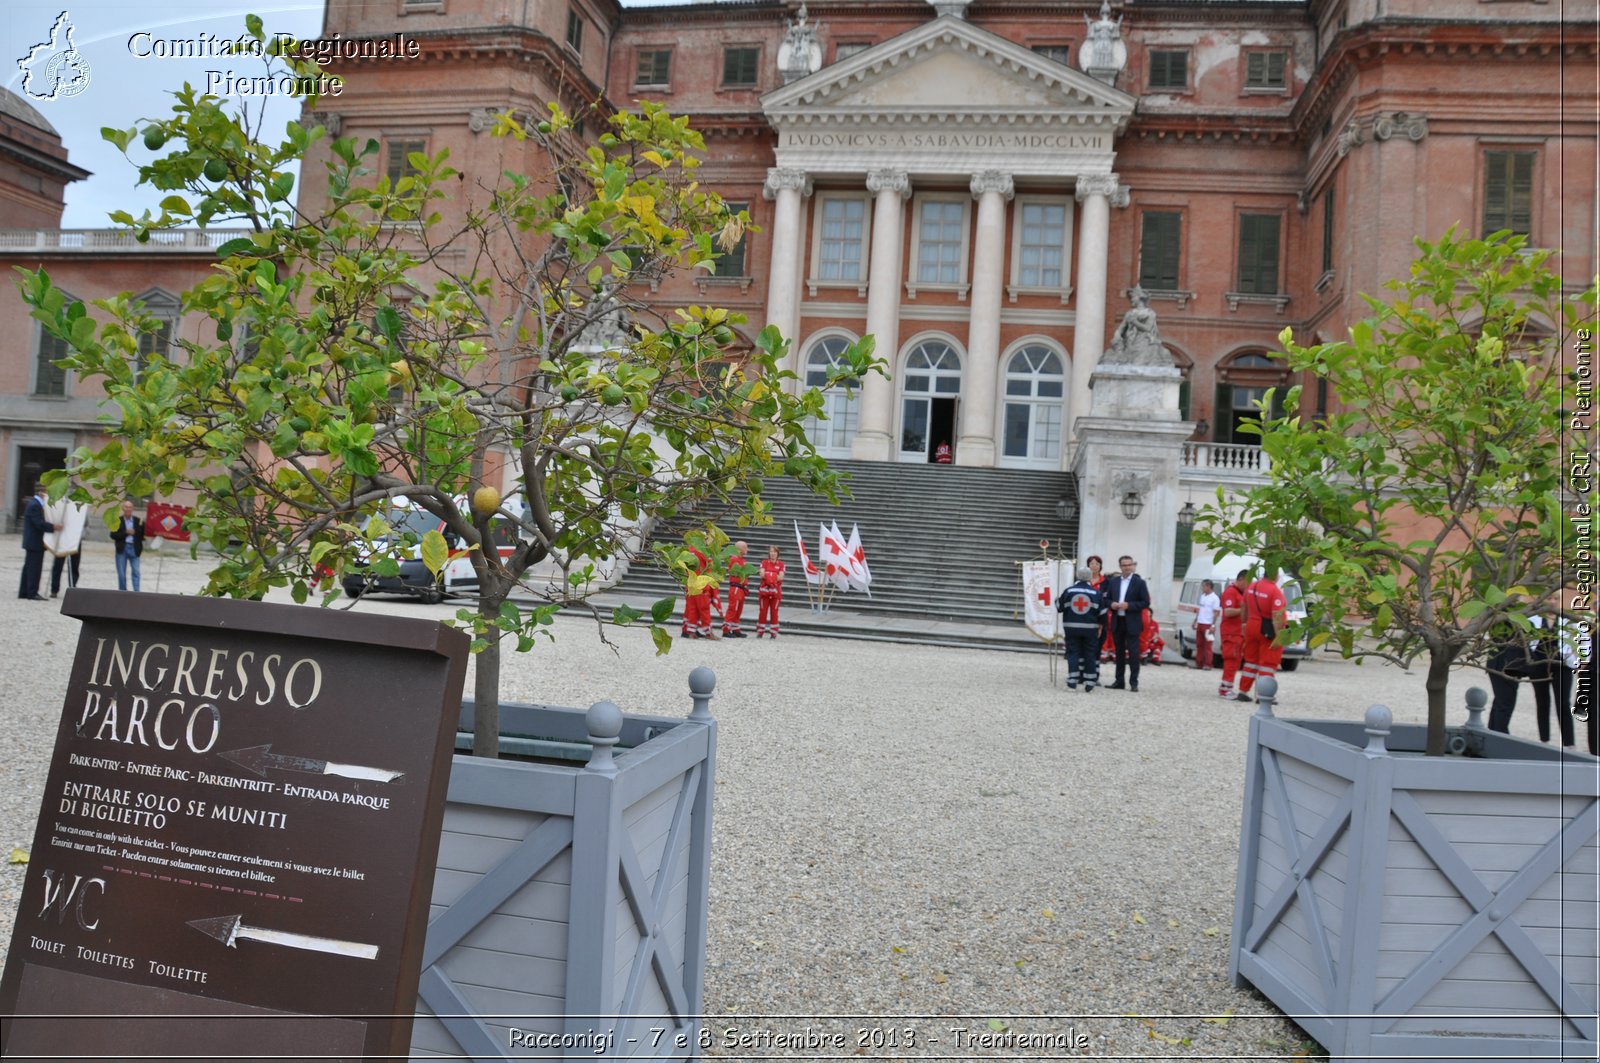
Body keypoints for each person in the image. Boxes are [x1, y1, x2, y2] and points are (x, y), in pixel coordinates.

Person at [1237, 569, 1288, 702]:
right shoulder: (1275, 591)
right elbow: (1277, 615)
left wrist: (1243, 623)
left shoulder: (1252, 586)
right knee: (1268, 663)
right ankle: (1263, 695)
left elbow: (1243, 605)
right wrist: (1279, 636)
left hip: (1251, 625)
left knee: (1250, 661)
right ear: (1275, 575)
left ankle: (1243, 691)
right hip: (1267, 629)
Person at [1529, 614, 1579, 748]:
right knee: (1542, 701)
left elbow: (1582, 636)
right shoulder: (1533, 619)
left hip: (1562, 665)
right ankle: (1544, 740)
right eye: (1549, 598)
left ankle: (1569, 743)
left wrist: (1581, 659)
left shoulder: (1567, 619)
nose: (1552, 601)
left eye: (1555, 598)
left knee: (1563, 703)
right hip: (1539, 664)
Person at [1057, 565, 1108, 691]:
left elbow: (1059, 607)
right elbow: (1102, 613)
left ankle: (1072, 682)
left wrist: (1056, 600)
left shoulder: (1069, 591)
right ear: (1090, 577)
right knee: (1090, 654)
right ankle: (1090, 682)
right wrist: (1101, 627)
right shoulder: (1097, 593)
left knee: (1073, 653)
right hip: (1091, 629)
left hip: (1071, 628)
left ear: (1077, 576)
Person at [1104, 555, 1150, 691]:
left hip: (1132, 622)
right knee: (1118, 653)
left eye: (1129, 565)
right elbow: (1106, 600)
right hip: (1118, 621)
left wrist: (1129, 605)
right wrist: (1112, 604)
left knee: (1134, 654)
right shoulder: (1114, 582)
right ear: (1120, 566)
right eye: (1124, 565)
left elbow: (1145, 602)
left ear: (1133, 566)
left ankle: (1134, 682)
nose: (1127, 567)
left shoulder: (1139, 582)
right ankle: (1119, 681)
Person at [18, 482, 56, 600]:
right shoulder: (35, 505)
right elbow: (39, 524)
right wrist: (54, 527)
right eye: (46, 492)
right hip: (35, 542)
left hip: (32, 542)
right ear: (41, 492)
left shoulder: (34, 504)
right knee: (34, 568)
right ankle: (32, 592)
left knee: (29, 567)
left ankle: (24, 591)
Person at [1217, 570, 1250, 700]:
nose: (1249, 585)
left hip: (1237, 633)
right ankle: (1225, 688)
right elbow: (1228, 612)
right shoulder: (1231, 592)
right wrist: (1244, 610)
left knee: (1235, 661)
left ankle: (1228, 687)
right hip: (1231, 633)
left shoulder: (1240, 593)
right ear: (1241, 579)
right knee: (1231, 659)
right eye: (1248, 581)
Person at [679, 543, 716, 639]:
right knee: (704, 609)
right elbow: (709, 566)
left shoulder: (689, 550)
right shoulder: (702, 551)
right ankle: (708, 632)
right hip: (701, 585)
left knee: (692, 609)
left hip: (691, 584)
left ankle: (690, 631)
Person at [110, 499, 145, 592]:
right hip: (122, 548)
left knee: (136, 572)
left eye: (130, 507)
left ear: (132, 509)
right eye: (126, 507)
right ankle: (122, 592)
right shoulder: (118, 521)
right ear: (123, 508)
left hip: (134, 548)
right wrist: (126, 533)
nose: (128, 509)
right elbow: (113, 535)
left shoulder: (138, 521)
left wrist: (135, 532)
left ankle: (136, 592)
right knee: (121, 574)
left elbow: (142, 535)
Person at [756, 544, 785, 638]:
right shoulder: (764, 562)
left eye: (775, 552)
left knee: (774, 612)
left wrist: (768, 575)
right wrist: (773, 576)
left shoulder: (781, 564)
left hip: (776, 593)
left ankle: (773, 632)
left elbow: (781, 577)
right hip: (764, 592)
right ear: (768, 553)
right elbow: (761, 574)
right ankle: (760, 631)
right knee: (762, 611)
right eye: (771, 551)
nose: (772, 554)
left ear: (778, 554)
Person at [722, 540, 750, 638]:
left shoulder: (742, 560)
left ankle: (735, 628)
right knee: (733, 608)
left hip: (741, 588)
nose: (747, 549)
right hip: (736, 587)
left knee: (738, 609)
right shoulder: (734, 559)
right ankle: (726, 629)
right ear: (740, 549)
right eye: (746, 547)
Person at [1193, 578, 1220, 671]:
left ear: (1209, 586)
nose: (1202, 588)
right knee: (1199, 644)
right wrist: (1195, 621)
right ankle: (1199, 663)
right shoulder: (1202, 596)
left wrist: (1213, 625)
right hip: (1200, 623)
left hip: (1208, 624)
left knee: (1208, 645)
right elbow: (1200, 609)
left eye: (1203, 586)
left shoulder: (1215, 598)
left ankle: (1208, 664)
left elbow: (1216, 613)